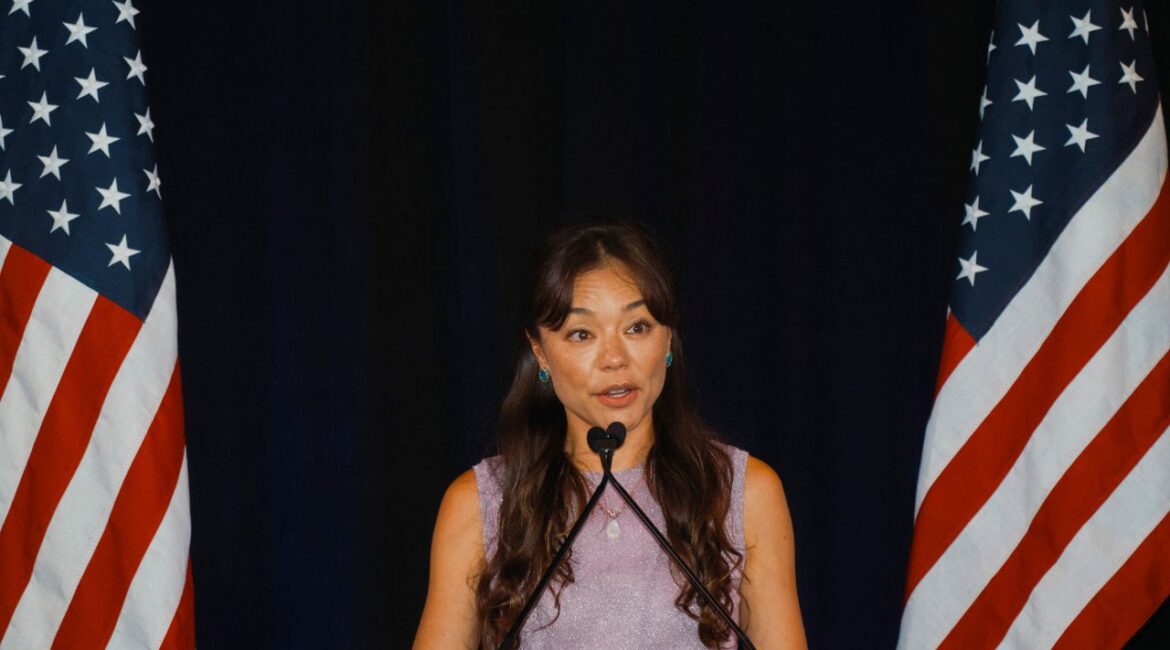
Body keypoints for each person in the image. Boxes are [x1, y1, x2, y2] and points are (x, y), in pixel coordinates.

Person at [414, 220, 805, 649]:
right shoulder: (481, 503)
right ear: (540, 351)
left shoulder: (743, 492)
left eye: (636, 327)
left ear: (668, 338)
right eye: (581, 334)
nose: (615, 358)